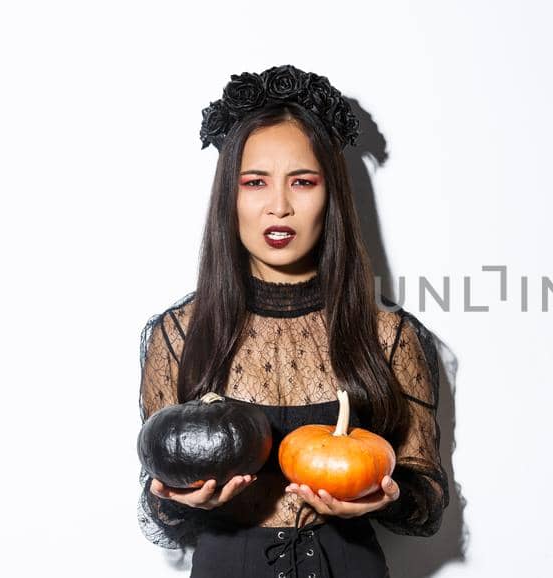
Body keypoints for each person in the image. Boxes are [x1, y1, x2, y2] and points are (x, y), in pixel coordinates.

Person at [136, 64, 449, 578]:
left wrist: (381, 498)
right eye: (255, 182)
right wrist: (182, 499)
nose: (278, 206)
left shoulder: (389, 335)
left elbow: (426, 495)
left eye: (302, 182)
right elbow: (158, 501)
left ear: (331, 197)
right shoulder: (179, 334)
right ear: (229, 198)